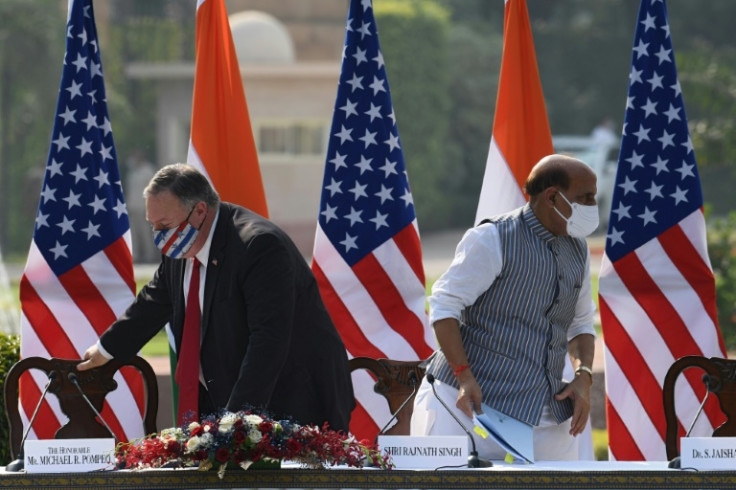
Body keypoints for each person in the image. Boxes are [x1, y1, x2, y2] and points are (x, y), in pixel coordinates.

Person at [78, 163, 355, 432]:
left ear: (199, 211)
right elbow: (154, 302)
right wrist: (105, 350)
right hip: (227, 399)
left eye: (164, 225)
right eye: (152, 225)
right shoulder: (181, 247)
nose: (158, 236)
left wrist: (237, 422)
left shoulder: (259, 247)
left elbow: (268, 340)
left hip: (294, 400)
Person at [411, 154, 597, 461]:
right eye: (585, 197)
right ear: (552, 197)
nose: (592, 206)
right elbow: (444, 306)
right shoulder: (493, 237)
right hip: (468, 402)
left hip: (545, 404)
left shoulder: (578, 248)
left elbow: (581, 324)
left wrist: (584, 376)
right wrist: (464, 376)